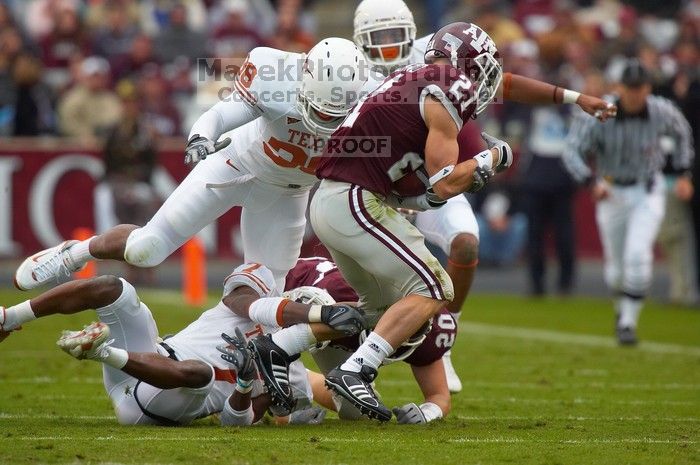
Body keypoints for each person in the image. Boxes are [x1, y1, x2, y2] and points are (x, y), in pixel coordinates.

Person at [351, 0, 617, 392]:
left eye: (395, 34)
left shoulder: (437, 50)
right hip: (374, 187)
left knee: (465, 245)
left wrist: (574, 98)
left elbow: (500, 85)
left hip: (430, 180)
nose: (388, 45)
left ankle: (444, 340)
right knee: (351, 281)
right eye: (379, 36)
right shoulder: (343, 66)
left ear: (411, 31)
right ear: (358, 38)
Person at [14, 38, 372, 293]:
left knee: (266, 293)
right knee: (146, 249)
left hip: (288, 194)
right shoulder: (275, 73)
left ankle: (258, 386)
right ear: (305, 80)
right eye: (319, 107)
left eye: (334, 112)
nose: (324, 119)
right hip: (234, 166)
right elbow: (223, 113)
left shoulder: (375, 98)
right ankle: (75, 253)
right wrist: (201, 136)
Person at [0, 264, 318, 425]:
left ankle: (99, 351)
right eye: (298, 307)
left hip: (155, 405)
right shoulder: (248, 302)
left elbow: (236, 423)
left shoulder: (294, 376)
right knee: (114, 288)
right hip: (150, 356)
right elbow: (244, 301)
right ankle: (8, 318)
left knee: (202, 374)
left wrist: (247, 384)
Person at [563, 60, 694, 345]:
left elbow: (683, 134)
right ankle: (622, 311)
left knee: (638, 253)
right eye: (630, 87)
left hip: (647, 188)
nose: (635, 93)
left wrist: (684, 173)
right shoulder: (602, 111)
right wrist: (590, 181)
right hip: (611, 191)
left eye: (641, 87)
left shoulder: (661, 110)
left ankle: (628, 323)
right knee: (617, 270)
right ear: (620, 88)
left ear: (648, 88)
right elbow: (572, 149)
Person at [284, 257, 457, 424]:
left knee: (356, 411)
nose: (398, 338)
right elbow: (273, 332)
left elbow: (439, 396)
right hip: (295, 292)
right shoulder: (339, 303)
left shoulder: (429, 325)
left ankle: (307, 379)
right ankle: (292, 380)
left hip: (345, 329)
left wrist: (428, 413)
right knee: (267, 389)